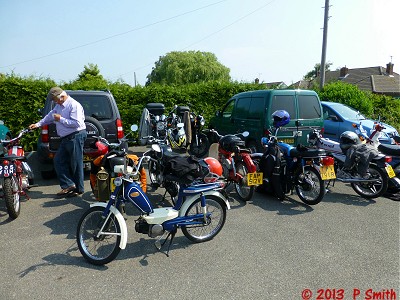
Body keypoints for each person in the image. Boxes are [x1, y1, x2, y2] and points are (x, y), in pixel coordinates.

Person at [29, 87, 87, 197]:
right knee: (58, 160)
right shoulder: (58, 106)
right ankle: (68, 185)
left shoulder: (74, 105)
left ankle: (79, 189)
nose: (55, 102)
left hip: (76, 136)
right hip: (67, 138)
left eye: (55, 99)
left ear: (62, 96)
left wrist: (60, 119)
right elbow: (49, 117)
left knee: (75, 163)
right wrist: (37, 124)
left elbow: (77, 123)